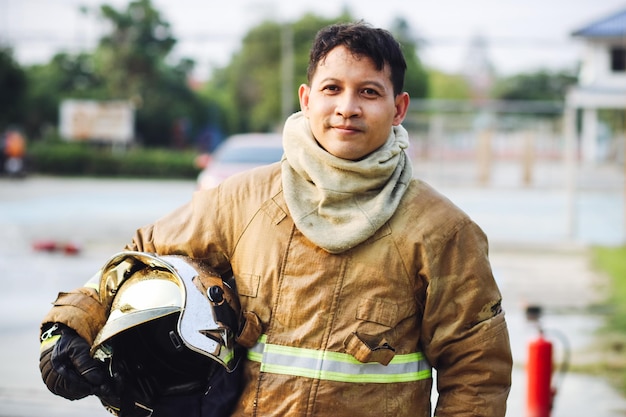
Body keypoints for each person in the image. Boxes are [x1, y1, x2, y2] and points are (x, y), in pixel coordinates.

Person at [39, 21, 512, 416]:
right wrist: (69, 328)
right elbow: (141, 253)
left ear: (399, 108)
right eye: (333, 89)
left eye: (369, 92)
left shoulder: (443, 231)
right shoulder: (243, 199)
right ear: (307, 100)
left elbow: (477, 372)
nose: (347, 107)